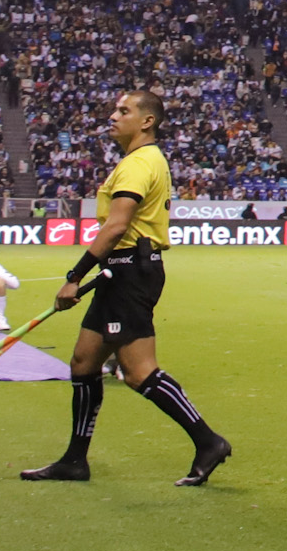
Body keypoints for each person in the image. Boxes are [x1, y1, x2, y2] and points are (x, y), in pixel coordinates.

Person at [20, 89, 232, 485]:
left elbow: (117, 226)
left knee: (137, 372)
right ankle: (74, 460)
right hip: (120, 271)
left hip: (131, 269)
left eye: (124, 110)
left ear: (147, 121)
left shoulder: (139, 163)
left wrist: (74, 276)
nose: (113, 116)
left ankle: (208, 441)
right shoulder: (139, 161)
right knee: (84, 362)